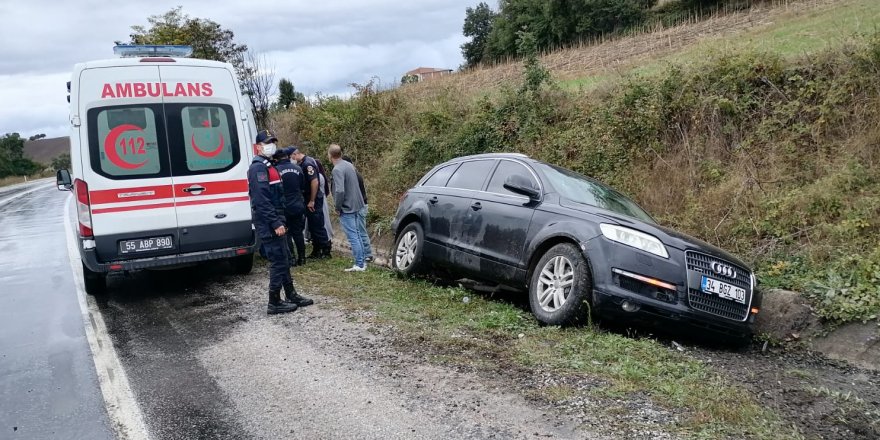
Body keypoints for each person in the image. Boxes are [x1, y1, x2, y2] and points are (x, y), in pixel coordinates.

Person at [248, 130, 313, 314]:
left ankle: (291, 294)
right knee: (278, 261)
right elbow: (261, 201)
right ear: (258, 146)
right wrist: (275, 223)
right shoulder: (258, 168)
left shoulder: (268, 165)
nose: (272, 145)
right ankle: (274, 301)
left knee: (284, 257)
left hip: (277, 218)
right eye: (268, 142)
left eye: (273, 142)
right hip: (269, 222)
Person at [328, 144, 366, 272]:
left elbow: (340, 191)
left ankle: (359, 264)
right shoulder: (349, 165)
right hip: (357, 204)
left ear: (330, 155)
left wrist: (338, 207)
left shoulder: (337, 169)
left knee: (353, 236)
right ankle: (362, 260)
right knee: (358, 234)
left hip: (347, 207)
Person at [291, 147, 332, 258]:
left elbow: (314, 182)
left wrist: (312, 200)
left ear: (296, 154)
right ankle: (317, 249)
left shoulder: (307, 164)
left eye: (292, 157)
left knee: (317, 224)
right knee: (312, 226)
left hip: (313, 199)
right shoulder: (303, 163)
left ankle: (326, 249)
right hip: (308, 198)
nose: (292, 159)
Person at [274, 147, 308, 267]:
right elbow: (302, 186)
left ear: (276, 159)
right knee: (298, 232)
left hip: (284, 206)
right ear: (287, 157)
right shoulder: (298, 168)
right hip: (298, 204)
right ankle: (302, 258)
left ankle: (292, 258)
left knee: (287, 233)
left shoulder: (276, 171)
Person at [342, 155, 373, 262]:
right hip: (361, 205)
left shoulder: (353, 175)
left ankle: (367, 254)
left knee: (360, 231)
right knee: (359, 231)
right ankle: (364, 254)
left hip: (359, 206)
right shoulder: (356, 174)